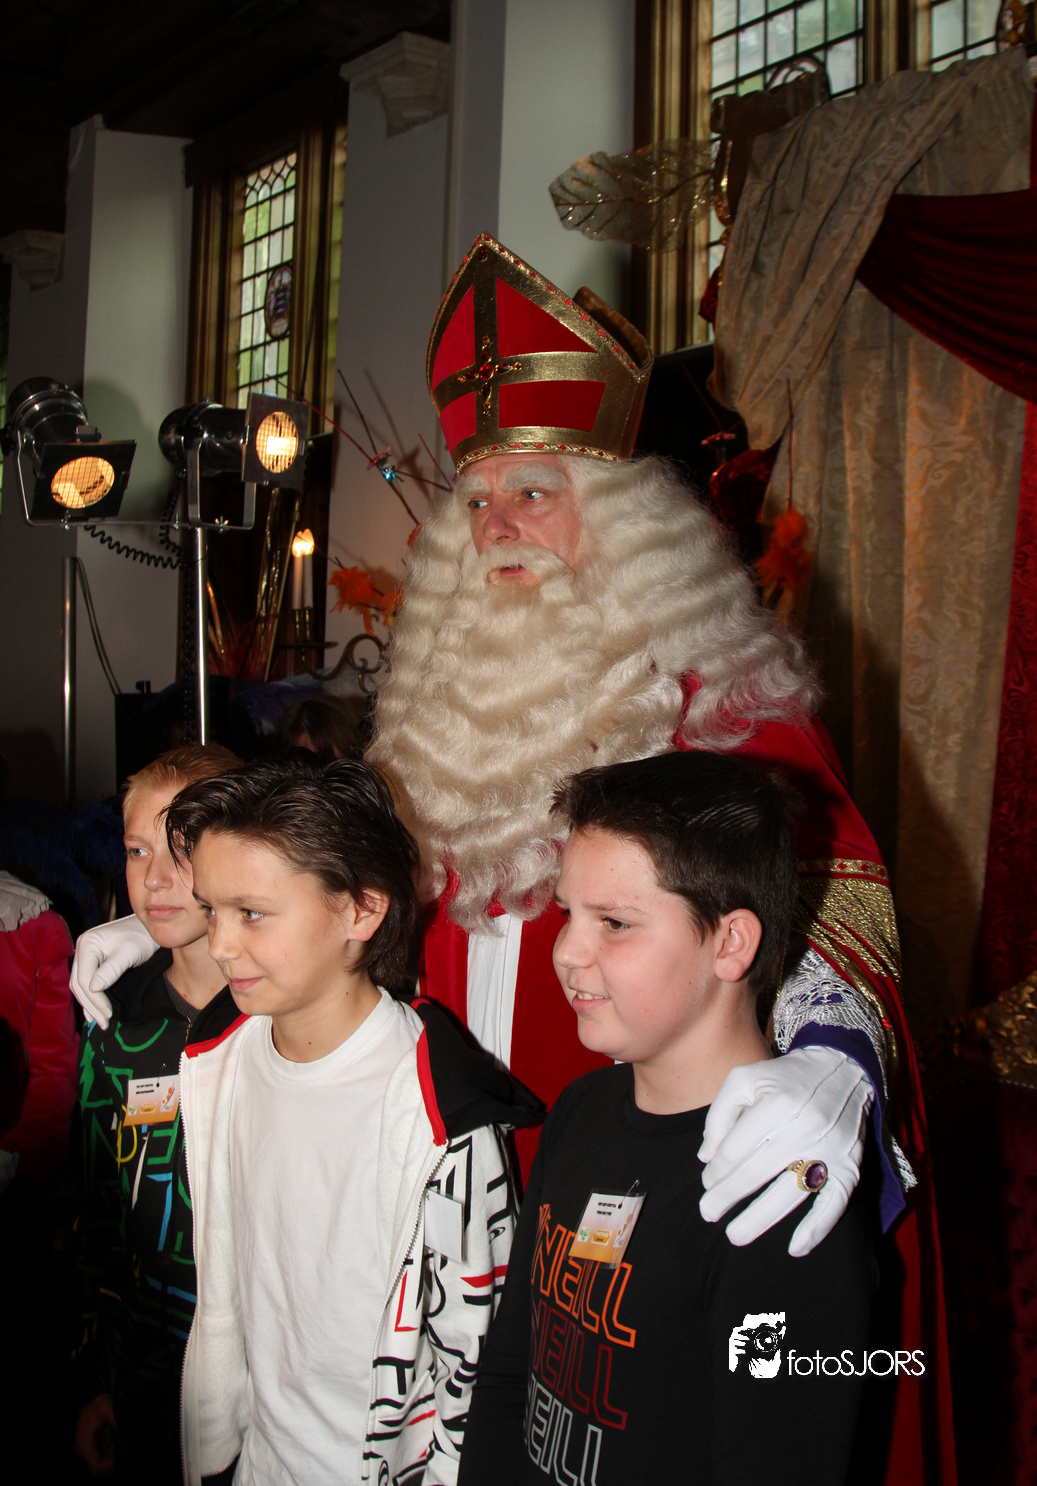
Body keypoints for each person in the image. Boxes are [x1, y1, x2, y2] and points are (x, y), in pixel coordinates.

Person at [70, 235, 954, 1481]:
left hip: (643, 1186)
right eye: (476, 500)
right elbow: (328, 886)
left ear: (629, 525)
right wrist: (178, 918)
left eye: (534, 492)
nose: (496, 526)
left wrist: (826, 1067)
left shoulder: (727, 712)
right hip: (443, 1195)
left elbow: (837, 918)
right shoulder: (435, 724)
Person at [459, 750, 885, 1485]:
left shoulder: (781, 1201)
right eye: (567, 913)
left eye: (614, 922)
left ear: (730, 943)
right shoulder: (581, 1109)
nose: (566, 952)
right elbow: (509, 1373)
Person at [164, 757, 541, 1485]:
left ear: (362, 911)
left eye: (251, 913)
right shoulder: (221, 1058)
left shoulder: (441, 1115)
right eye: (211, 910)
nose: (219, 944)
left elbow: (476, 1363)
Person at [74, 743, 243, 1483]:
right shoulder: (115, 1025)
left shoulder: (280, 1021)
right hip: (147, 1375)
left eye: (183, 850)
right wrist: (93, 1379)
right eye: (138, 850)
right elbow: (94, 1213)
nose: (155, 879)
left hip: (264, 1384)